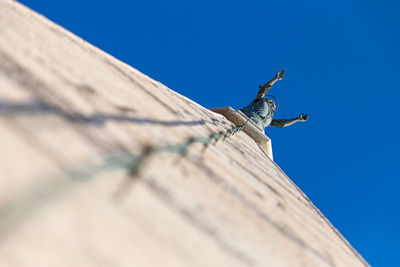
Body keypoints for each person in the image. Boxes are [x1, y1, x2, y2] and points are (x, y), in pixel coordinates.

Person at [240, 70, 308, 130]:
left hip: (258, 128)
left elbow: (282, 123)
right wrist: (275, 79)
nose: (272, 104)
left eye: (273, 105)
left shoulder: (270, 119)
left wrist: (298, 119)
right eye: (271, 102)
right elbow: (264, 89)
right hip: (246, 116)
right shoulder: (260, 99)